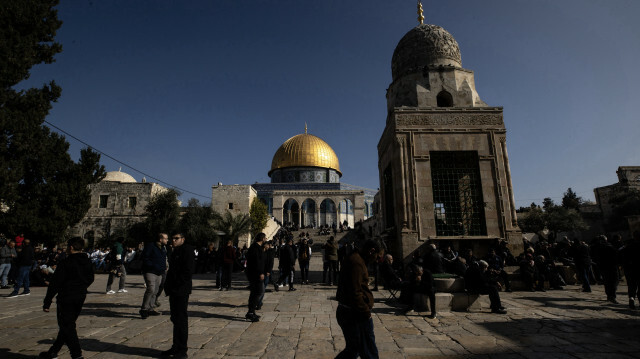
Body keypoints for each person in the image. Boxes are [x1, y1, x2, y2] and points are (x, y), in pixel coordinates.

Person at [39, 237, 94, 359]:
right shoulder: (87, 261)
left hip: (66, 297)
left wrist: (47, 301)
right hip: (80, 296)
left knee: (67, 326)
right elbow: (91, 278)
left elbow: (55, 283)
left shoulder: (66, 262)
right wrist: (82, 287)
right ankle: (53, 352)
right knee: (67, 325)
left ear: (70, 247)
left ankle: (77, 355)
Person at [335, 239, 381, 359]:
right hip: (355, 314)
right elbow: (355, 292)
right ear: (371, 251)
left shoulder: (356, 259)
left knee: (352, 350)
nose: (377, 260)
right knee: (369, 352)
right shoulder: (357, 263)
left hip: (349, 312)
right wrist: (366, 313)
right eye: (378, 256)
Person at [162, 233, 195, 359]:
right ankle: (176, 346)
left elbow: (188, 271)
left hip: (181, 290)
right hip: (174, 290)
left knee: (181, 319)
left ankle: (182, 350)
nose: (173, 240)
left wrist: (177, 284)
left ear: (183, 239)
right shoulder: (175, 251)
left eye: (176, 238)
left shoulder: (187, 251)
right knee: (175, 318)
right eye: (173, 238)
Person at [140, 233, 168, 319]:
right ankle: (144, 309)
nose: (167, 240)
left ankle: (150, 308)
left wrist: (163, 267)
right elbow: (145, 258)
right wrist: (153, 266)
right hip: (150, 271)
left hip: (159, 272)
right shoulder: (150, 246)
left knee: (155, 290)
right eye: (166, 238)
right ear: (160, 239)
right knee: (150, 289)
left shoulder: (163, 248)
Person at [245, 233, 266, 322]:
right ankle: (250, 312)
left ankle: (251, 311)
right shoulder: (255, 248)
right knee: (258, 292)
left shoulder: (256, 247)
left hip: (254, 273)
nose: (266, 239)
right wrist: (260, 273)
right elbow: (256, 262)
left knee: (256, 292)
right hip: (255, 274)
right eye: (265, 238)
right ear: (262, 239)